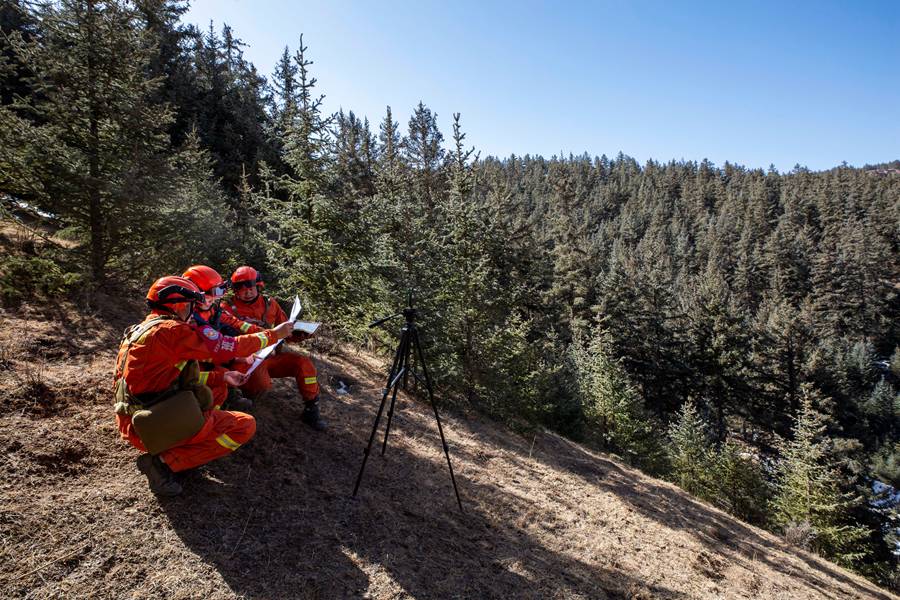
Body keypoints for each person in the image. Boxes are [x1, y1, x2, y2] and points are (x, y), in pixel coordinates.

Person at [114, 275, 294, 496]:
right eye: (191, 304)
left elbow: (170, 378)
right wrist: (274, 335)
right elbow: (227, 347)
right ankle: (165, 462)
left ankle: (183, 444)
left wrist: (222, 377)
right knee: (243, 426)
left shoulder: (142, 330)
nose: (193, 310)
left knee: (216, 390)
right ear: (179, 305)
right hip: (151, 425)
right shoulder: (172, 331)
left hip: (137, 418)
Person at [223, 266, 326, 431]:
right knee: (261, 386)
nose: (247, 292)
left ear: (259, 285)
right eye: (241, 289)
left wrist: (300, 335)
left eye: (250, 287)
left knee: (304, 364)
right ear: (235, 290)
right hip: (245, 361)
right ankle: (235, 394)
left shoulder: (271, 305)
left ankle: (311, 407)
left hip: (269, 358)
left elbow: (287, 332)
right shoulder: (226, 308)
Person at [182, 264, 261, 412]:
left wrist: (266, 333)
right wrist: (235, 357)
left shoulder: (214, 310)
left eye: (216, 293)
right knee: (221, 377)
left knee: (231, 372)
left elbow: (236, 323)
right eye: (206, 295)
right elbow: (206, 349)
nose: (211, 299)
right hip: (191, 365)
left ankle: (225, 400)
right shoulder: (186, 318)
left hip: (209, 359)